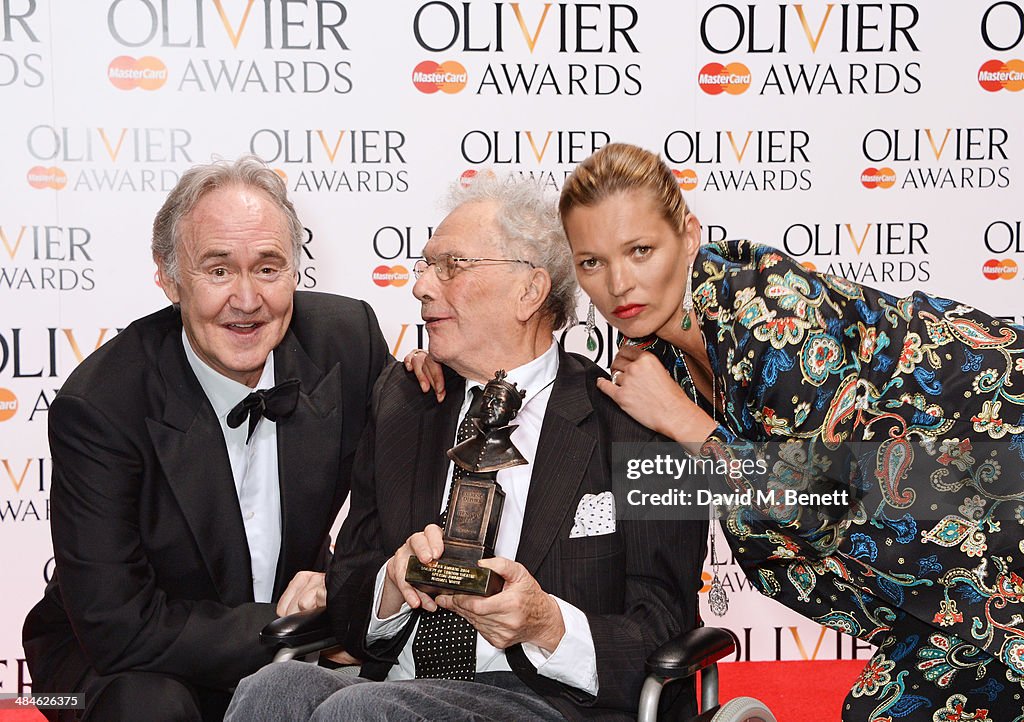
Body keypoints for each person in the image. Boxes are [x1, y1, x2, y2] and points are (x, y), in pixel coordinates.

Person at [558, 142, 1024, 721]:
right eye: (592, 262)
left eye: (641, 250)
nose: (620, 283)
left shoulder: (768, 307)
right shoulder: (660, 358)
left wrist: (683, 420)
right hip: (947, 558)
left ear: (689, 234)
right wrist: (439, 370)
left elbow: (822, 501)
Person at [226, 175, 707, 721]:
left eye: (451, 266)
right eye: (426, 265)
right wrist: (391, 582)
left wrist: (547, 624)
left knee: (361, 711)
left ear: (529, 291)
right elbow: (354, 577)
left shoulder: (639, 426)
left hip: (551, 702)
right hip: (398, 684)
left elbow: (667, 626)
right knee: (274, 688)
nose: (423, 286)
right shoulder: (404, 400)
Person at [22, 156, 390, 721]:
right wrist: (309, 629)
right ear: (169, 279)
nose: (246, 300)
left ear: (296, 269)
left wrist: (426, 381)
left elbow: (400, 490)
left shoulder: (349, 342)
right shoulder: (101, 406)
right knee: (154, 709)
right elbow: (119, 629)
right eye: (218, 271)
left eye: (268, 268)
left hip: (291, 642)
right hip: (109, 663)